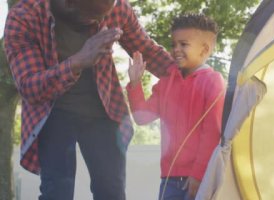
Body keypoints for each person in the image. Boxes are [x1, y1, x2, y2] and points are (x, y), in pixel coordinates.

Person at [4, 0, 175, 199]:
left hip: (103, 109)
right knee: (57, 192)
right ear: (68, 5)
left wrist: (189, 75)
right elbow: (29, 87)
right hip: (52, 112)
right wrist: (78, 61)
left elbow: (148, 51)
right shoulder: (24, 16)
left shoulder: (116, 7)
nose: (102, 22)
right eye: (93, 18)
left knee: (111, 191)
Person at [127, 13, 225, 200]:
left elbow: (212, 133)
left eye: (184, 44)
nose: (176, 49)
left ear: (204, 49)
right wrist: (135, 84)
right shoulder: (167, 82)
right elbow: (142, 118)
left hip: (199, 178)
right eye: (174, 44)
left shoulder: (213, 82)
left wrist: (198, 175)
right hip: (169, 178)